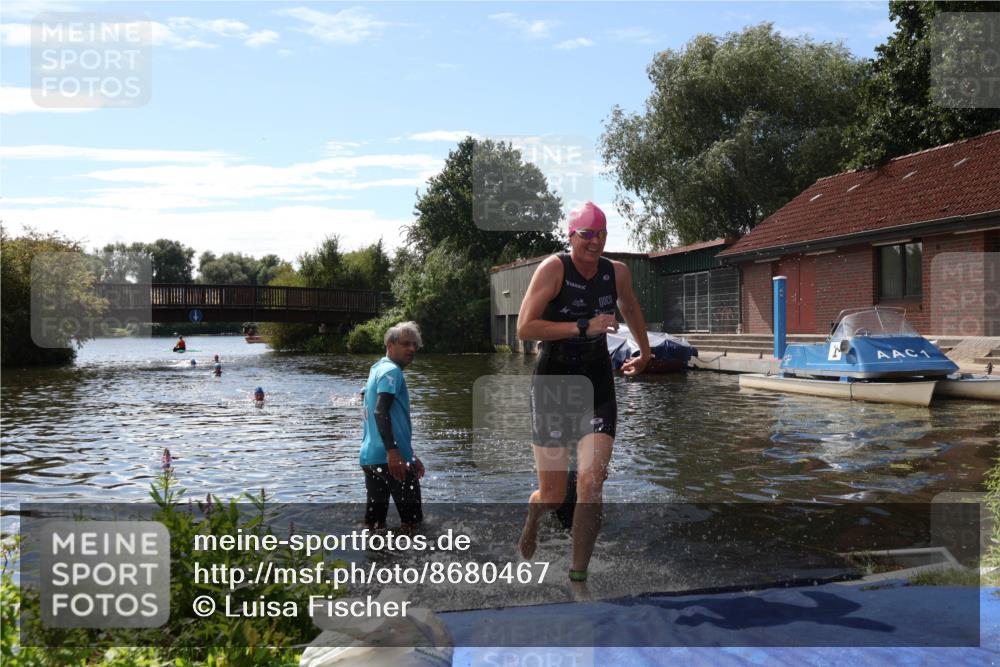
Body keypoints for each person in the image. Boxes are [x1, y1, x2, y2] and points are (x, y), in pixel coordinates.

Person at [516, 201, 651, 582]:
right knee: (554, 496)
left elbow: (631, 308)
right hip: (553, 386)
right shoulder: (554, 268)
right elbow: (525, 327)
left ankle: (578, 578)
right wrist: (582, 326)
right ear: (571, 236)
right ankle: (534, 516)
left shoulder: (616, 272)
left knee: (592, 483)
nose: (595, 242)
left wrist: (645, 352)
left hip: (596, 385)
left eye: (601, 234)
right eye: (586, 234)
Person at [359, 321, 425, 531]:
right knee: (412, 525)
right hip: (393, 459)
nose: (411, 349)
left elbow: (375, 409)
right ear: (390, 345)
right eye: (405, 344)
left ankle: (374, 553)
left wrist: (410, 453)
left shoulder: (377, 368)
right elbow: (380, 411)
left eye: (414, 345)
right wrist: (394, 452)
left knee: (374, 525)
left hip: (370, 458)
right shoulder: (392, 371)